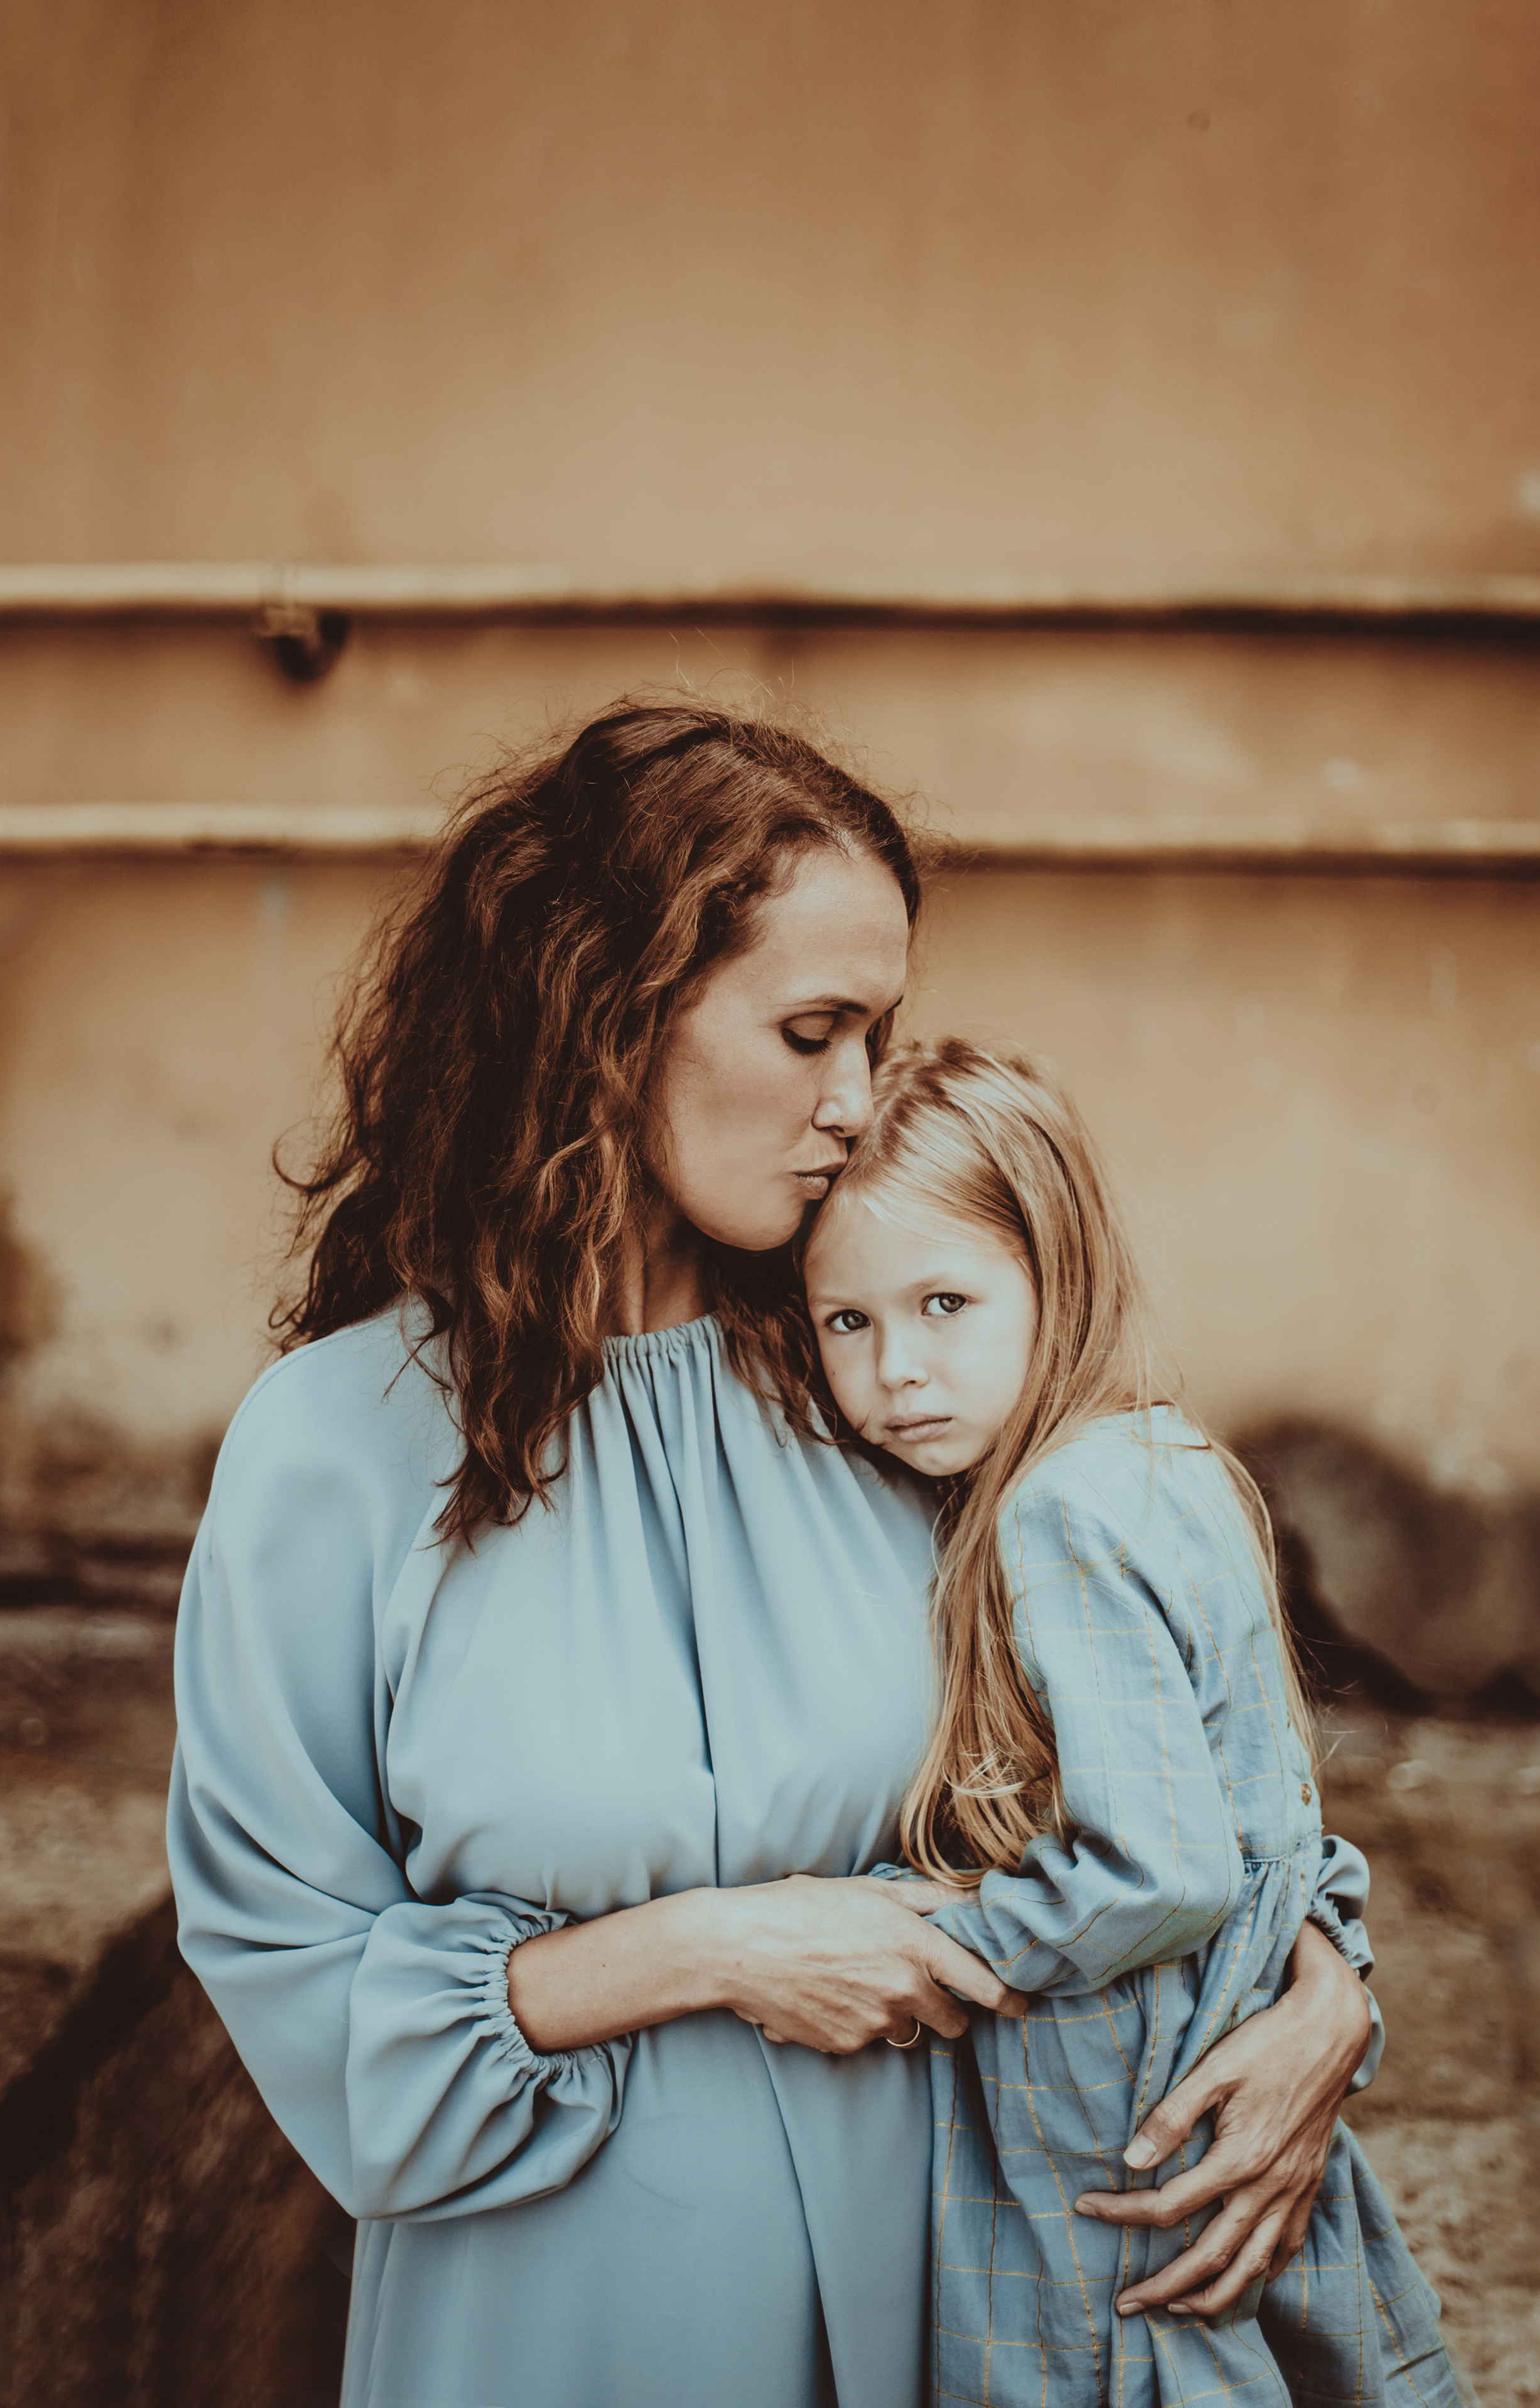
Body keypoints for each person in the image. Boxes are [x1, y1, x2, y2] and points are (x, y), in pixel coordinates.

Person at [168, 703, 1379, 2408]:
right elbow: (289, 1965)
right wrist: (717, 1949)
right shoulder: (330, 1448)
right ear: (609, 1021)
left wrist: (1324, 1993)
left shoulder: (889, 1380)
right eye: (814, 1032)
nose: (859, 1101)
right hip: (550, 2320)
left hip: (964, 2301)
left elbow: (1161, 1755)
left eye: (880, 1035)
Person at [801, 1036, 1460, 2407]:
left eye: (943, 1303)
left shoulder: (1054, 1515)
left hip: (1107, 2105)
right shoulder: (1170, 1464)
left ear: (1057, 1275)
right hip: (1214, 2047)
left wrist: (930, 1934)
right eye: (845, 1322)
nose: (895, 1373)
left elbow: (1157, 1866)